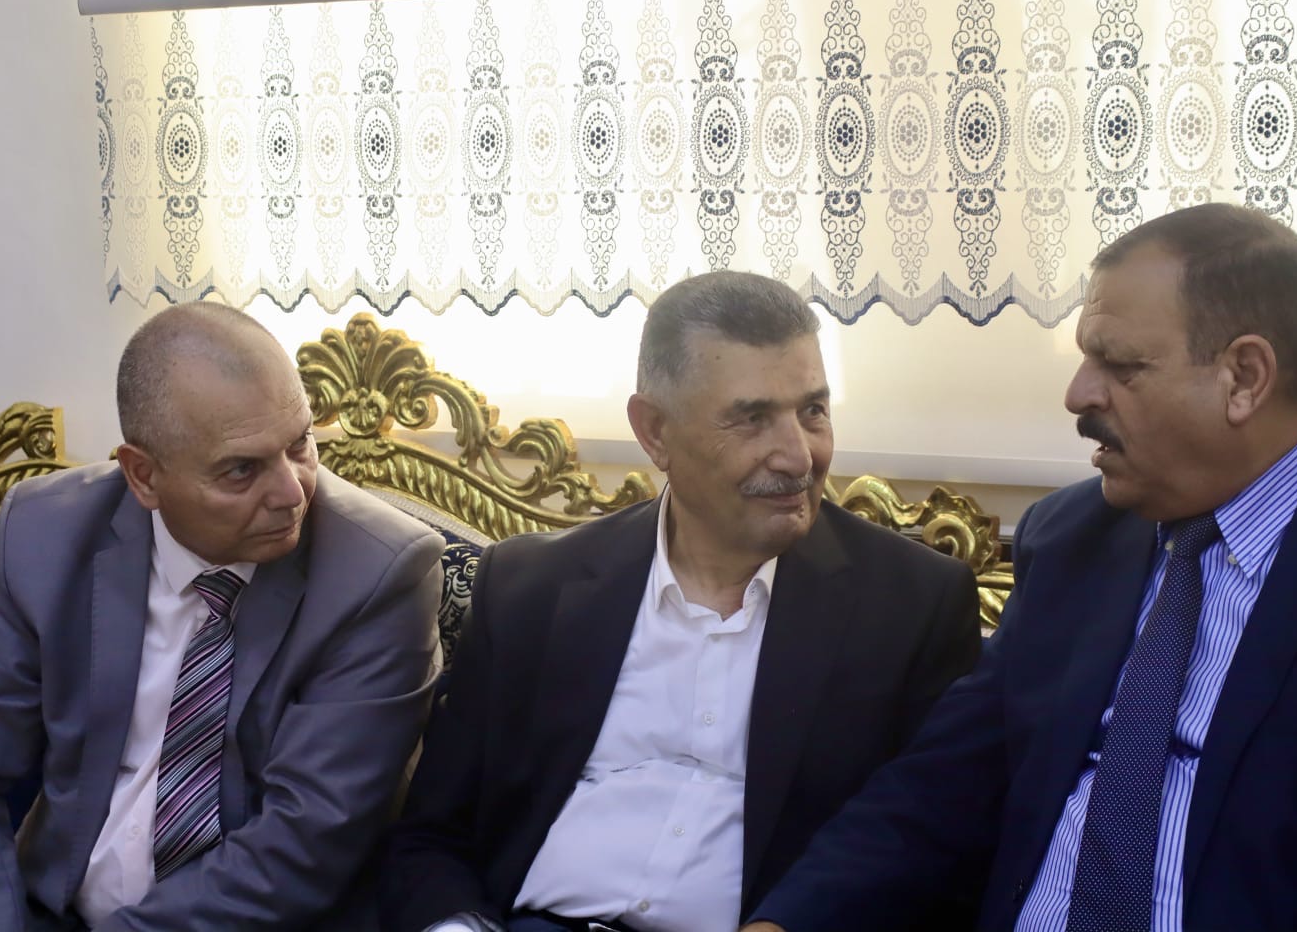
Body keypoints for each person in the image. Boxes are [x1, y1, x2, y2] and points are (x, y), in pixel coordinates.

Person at [743, 202, 1297, 932]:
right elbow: (943, 786)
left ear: (1243, 378)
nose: (1078, 394)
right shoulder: (1072, 539)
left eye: (1120, 365)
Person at [381, 272, 982, 932]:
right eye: (752, 419)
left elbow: (925, 844)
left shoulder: (912, 605)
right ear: (655, 431)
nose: (798, 456)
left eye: (813, 411)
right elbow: (430, 836)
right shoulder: (530, 588)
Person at [0, 303, 444, 931]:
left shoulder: (378, 574)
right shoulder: (45, 535)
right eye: (241, 469)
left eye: (300, 443)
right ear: (143, 476)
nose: (292, 492)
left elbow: (302, 847)